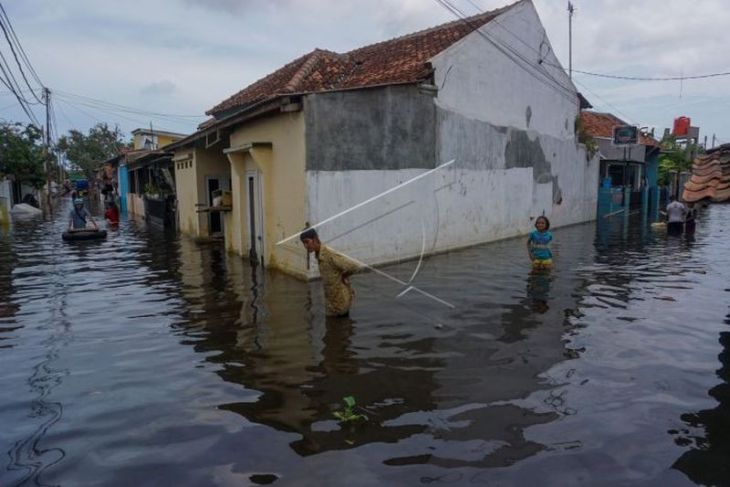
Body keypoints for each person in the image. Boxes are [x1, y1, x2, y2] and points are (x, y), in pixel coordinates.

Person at [300, 227, 360, 317]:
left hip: (340, 305)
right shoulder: (318, 255)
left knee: (342, 328)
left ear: (315, 239)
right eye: (303, 243)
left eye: (307, 242)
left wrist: (344, 275)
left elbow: (355, 266)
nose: (305, 246)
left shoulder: (329, 255)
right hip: (330, 305)